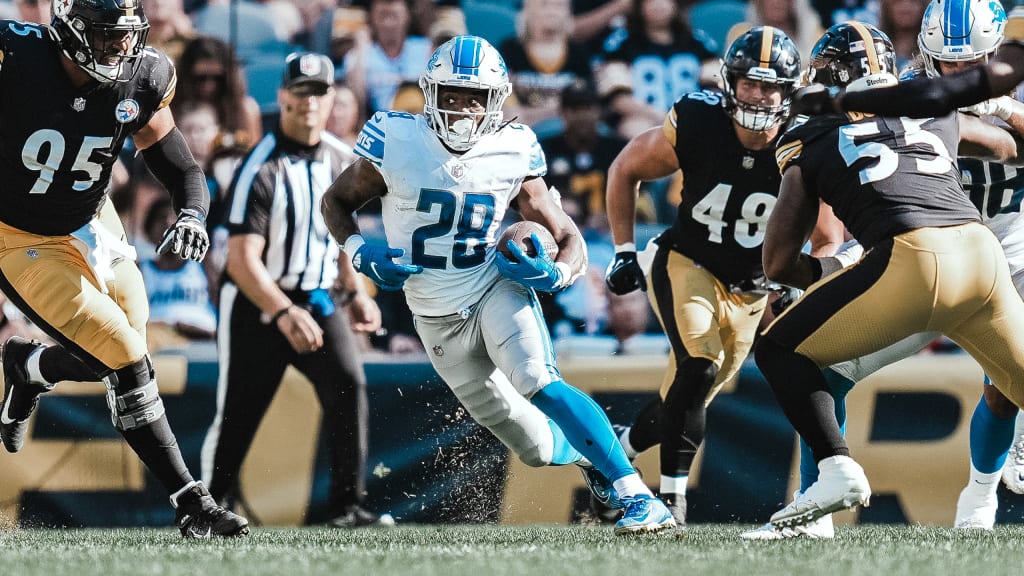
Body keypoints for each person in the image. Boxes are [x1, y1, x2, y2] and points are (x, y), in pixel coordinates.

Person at [321, 34, 676, 535]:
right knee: (534, 448)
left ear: (495, 100)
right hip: (433, 315)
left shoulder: (513, 146)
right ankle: (598, 452)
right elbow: (334, 203)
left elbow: (566, 236)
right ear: (430, 93)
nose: (462, 109)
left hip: (492, 284)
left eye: (474, 97)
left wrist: (557, 273)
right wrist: (361, 253)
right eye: (451, 95)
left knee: (538, 379)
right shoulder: (397, 140)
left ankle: (635, 492)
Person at [742, 4, 1024, 538]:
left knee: (784, 351)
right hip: (980, 256)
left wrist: (828, 269)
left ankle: (833, 476)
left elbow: (776, 262)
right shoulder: (932, 109)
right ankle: (817, 515)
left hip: (916, 261)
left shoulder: (811, 134)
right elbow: (1011, 150)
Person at [0, 0, 246, 537]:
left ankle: (30, 368)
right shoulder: (14, 55)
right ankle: (190, 500)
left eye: (128, 36)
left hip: (93, 221)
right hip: (19, 238)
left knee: (126, 356)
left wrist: (192, 214)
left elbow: (176, 158)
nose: (122, 48)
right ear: (71, 29)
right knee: (126, 358)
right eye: (109, 36)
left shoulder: (144, 74)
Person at [602, 26, 805, 526]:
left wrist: (796, 278)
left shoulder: (803, 140)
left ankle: (614, 454)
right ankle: (671, 504)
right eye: (750, 84)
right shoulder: (698, 120)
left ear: (789, 92)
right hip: (686, 261)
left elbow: (825, 231)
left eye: (771, 85)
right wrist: (624, 250)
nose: (759, 96)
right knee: (698, 367)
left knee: (688, 397)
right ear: (729, 84)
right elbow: (625, 168)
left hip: (752, 290)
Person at [200, 52, 388, 528]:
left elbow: (343, 233)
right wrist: (284, 313)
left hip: (317, 298)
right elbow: (241, 262)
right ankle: (207, 507)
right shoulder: (260, 167)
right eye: (300, 92)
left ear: (331, 100)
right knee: (238, 410)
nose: (309, 102)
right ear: (282, 96)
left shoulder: (342, 159)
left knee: (349, 384)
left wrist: (356, 291)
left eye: (319, 92)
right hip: (257, 304)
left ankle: (346, 508)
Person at [790, 6, 1024, 118]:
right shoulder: (912, 89)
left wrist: (1002, 108)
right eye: (949, 64)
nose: (959, 75)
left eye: (972, 63)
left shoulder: (1016, 87)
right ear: (931, 59)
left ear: (997, 52)